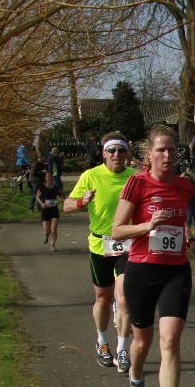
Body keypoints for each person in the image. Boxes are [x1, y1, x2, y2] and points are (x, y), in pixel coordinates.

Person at [111, 125, 195, 387]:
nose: (167, 155)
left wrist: (191, 242)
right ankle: (136, 376)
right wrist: (148, 225)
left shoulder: (185, 186)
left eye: (172, 149)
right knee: (143, 341)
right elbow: (117, 230)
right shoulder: (137, 183)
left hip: (175, 271)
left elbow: (182, 223)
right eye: (161, 150)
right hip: (142, 270)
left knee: (170, 339)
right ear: (149, 154)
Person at [65, 132, 135, 371]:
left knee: (123, 298)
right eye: (112, 150)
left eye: (121, 150)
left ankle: (123, 349)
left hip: (127, 245)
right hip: (100, 246)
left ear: (127, 153)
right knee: (103, 298)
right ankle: (103, 342)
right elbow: (67, 205)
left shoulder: (135, 177)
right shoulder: (90, 176)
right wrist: (82, 202)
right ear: (104, 153)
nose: (116, 154)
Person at [35, 169, 61, 251]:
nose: (50, 178)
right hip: (45, 210)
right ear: (45, 178)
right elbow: (37, 197)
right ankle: (46, 236)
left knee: (54, 228)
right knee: (47, 230)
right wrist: (41, 203)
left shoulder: (56, 188)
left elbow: (62, 197)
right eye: (48, 177)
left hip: (54, 210)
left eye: (51, 177)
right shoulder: (42, 188)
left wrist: (62, 201)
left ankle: (52, 245)